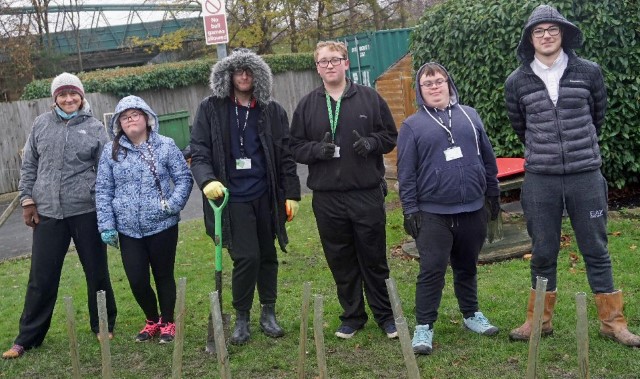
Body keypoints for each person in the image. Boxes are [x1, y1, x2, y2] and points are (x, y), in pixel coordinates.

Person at [505, 4, 640, 347]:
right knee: (543, 250)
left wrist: (576, 151)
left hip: (585, 174)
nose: (546, 36)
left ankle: (613, 323)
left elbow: (598, 114)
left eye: (552, 30)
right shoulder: (516, 81)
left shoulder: (589, 72)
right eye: (538, 31)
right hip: (541, 178)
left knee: (596, 247)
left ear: (562, 33)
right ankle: (539, 321)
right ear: (529, 38)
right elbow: (522, 126)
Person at [190, 48, 301, 345]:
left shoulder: (271, 110)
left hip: (265, 195)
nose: (243, 76)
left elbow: (285, 155)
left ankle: (269, 313)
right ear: (228, 75)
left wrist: (291, 195)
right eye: (238, 71)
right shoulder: (211, 108)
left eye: (249, 71)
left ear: (259, 76)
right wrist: (207, 180)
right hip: (230, 197)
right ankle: (241, 316)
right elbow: (198, 151)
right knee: (247, 257)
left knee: (268, 255)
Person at [3, 73, 117, 359]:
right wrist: (28, 201)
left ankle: (103, 324)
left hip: (85, 210)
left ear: (81, 96)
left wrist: (104, 207)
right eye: (62, 95)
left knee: (97, 271)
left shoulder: (94, 128)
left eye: (73, 94)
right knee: (41, 276)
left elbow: (106, 172)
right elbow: (29, 165)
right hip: (48, 212)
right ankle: (27, 338)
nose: (68, 99)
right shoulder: (41, 124)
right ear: (55, 98)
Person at [290, 41, 398, 340]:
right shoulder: (308, 104)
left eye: (334, 60)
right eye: (323, 62)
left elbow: (390, 136)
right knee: (340, 258)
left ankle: (386, 316)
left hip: (365, 192)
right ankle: (352, 316)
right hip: (327, 198)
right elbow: (295, 146)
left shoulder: (369, 99)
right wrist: (316, 150)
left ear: (346, 63)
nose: (329, 66)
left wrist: (372, 143)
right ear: (317, 68)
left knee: (373, 258)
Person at [397, 62, 501, 355]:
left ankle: (471, 315)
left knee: (467, 266)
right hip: (433, 213)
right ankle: (424, 327)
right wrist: (410, 209)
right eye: (427, 84)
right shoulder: (412, 126)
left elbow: (488, 157)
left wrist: (492, 194)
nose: (434, 87)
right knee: (432, 269)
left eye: (439, 81)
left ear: (449, 84)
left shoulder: (470, 115)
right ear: (420, 90)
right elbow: (406, 172)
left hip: (472, 208)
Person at [95, 96, 193, 344]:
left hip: (162, 225)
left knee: (163, 275)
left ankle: (168, 321)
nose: (130, 120)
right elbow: (103, 189)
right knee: (137, 279)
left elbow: (183, 178)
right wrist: (106, 225)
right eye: (124, 117)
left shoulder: (166, 145)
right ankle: (152, 319)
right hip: (128, 230)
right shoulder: (111, 151)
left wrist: (173, 205)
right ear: (118, 124)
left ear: (147, 118)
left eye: (135, 114)